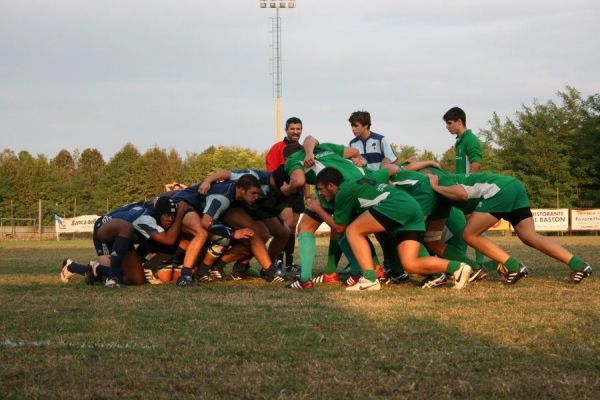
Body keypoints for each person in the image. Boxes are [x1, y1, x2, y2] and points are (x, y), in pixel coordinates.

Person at [306, 167, 473, 291]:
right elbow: (389, 169)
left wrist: (317, 209)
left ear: (331, 185)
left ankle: (370, 279)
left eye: (320, 189)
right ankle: (457, 267)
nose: (319, 194)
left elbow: (339, 227)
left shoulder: (342, 192)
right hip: (411, 206)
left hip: (396, 204)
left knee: (353, 230)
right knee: (410, 263)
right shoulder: (362, 180)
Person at [427, 171, 593, 284]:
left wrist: (435, 186)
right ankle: (579, 264)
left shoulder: (442, 182)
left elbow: (461, 194)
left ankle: (514, 266)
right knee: (529, 236)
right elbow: (433, 237)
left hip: (499, 190)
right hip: (514, 185)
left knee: (469, 235)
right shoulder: (441, 201)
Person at [170, 174, 285, 285]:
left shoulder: (237, 188)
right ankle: (185, 275)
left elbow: (226, 173)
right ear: (241, 190)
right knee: (204, 233)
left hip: (196, 209)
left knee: (247, 237)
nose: (256, 197)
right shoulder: (222, 198)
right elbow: (206, 222)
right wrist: (233, 233)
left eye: (257, 193)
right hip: (182, 205)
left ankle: (212, 269)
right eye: (253, 193)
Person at [60, 197, 188, 288]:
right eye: (167, 215)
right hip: (105, 230)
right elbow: (169, 240)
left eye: (173, 215)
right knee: (125, 229)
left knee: (136, 280)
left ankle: (75, 267)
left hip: (125, 238)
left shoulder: (155, 209)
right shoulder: (146, 218)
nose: (171, 218)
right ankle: (111, 278)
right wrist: (181, 211)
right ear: (159, 213)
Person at [265, 117, 306, 272]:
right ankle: (277, 262)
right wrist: (280, 191)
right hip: (283, 193)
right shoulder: (277, 148)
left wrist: (306, 193)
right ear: (286, 130)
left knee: (293, 227)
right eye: (292, 129)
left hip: (298, 192)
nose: (296, 132)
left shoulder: (303, 149)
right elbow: (272, 173)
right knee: (285, 227)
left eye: (298, 129)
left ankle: (289, 263)